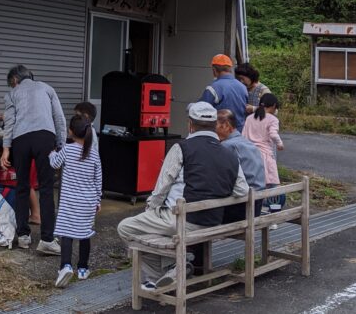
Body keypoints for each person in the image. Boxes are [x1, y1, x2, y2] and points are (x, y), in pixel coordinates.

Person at [116, 102, 249, 292]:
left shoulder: (182, 148)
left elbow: (161, 187)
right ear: (214, 125)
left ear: (190, 125)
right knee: (155, 227)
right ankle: (175, 267)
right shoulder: (229, 154)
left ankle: (162, 274)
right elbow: (242, 191)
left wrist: (151, 209)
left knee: (127, 228)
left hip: (181, 220)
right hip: (213, 221)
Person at [0, 64, 66, 255]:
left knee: (22, 185)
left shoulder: (12, 94)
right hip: (44, 137)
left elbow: (10, 121)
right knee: (46, 188)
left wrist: (6, 149)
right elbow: (59, 118)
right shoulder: (47, 88)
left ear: (14, 80)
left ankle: (23, 236)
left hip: (21, 139)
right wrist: (60, 145)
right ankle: (47, 239)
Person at [49, 115, 102, 287]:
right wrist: (98, 200)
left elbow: (55, 164)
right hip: (88, 202)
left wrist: (51, 154)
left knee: (67, 233)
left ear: (70, 132)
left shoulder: (67, 149)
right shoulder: (93, 154)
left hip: (69, 201)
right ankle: (83, 269)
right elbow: (98, 179)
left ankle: (65, 266)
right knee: (85, 234)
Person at [216, 109, 265, 223]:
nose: (212, 130)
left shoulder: (227, 146)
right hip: (256, 204)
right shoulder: (247, 143)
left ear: (226, 125)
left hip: (240, 207)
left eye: (215, 126)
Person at [243, 93, 285, 213]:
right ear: (273, 106)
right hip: (265, 156)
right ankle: (272, 218)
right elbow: (273, 134)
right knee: (271, 188)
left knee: (251, 187)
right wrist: (280, 144)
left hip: (250, 156)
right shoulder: (273, 119)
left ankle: (253, 214)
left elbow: (243, 136)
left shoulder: (249, 118)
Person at [199, 54, 250, 133]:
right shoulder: (243, 87)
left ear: (214, 70)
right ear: (230, 69)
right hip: (239, 133)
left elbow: (201, 110)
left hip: (220, 134)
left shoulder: (213, 88)